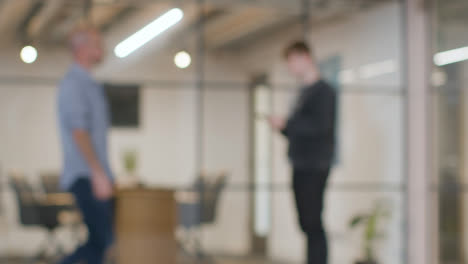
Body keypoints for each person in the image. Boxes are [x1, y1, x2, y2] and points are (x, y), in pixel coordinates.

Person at [269, 41, 336, 264]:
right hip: (299, 163)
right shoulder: (302, 93)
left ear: (304, 57)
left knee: (312, 221)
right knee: (306, 223)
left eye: (291, 61)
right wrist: (284, 127)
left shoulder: (323, 91)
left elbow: (321, 126)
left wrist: (289, 124)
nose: (290, 68)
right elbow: (299, 131)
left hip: (314, 165)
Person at [57, 25, 114, 264]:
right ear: (81, 48)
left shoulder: (90, 85)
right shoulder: (73, 85)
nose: (101, 48)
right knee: (102, 239)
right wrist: (98, 172)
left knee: (101, 243)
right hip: (85, 176)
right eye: (96, 43)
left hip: (94, 174)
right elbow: (79, 132)